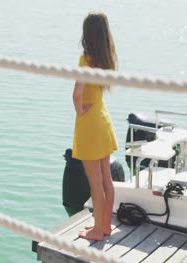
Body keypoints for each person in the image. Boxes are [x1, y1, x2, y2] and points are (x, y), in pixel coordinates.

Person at [72, 11, 118, 241]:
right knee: (106, 178)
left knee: (95, 182)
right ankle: (105, 226)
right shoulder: (106, 57)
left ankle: (97, 230)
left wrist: (79, 111)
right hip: (103, 118)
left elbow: (77, 94)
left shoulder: (86, 58)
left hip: (90, 124)